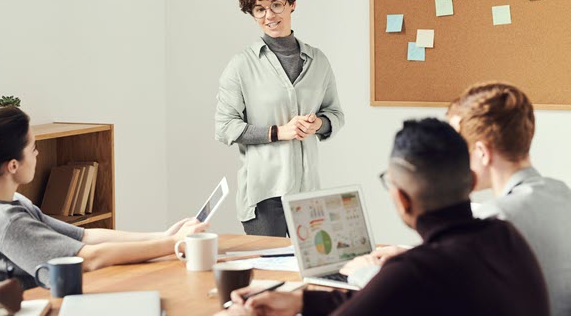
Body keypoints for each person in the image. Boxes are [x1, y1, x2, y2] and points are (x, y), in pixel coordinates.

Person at [216, 118, 549, 316]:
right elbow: (382, 299)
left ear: (401, 199)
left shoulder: (414, 272)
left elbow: (392, 291)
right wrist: (298, 299)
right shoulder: (506, 237)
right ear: (473, 182)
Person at [342, 82, 571, 316]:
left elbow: (428, 288)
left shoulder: (495, 223)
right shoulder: (562, 193)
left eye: (459, 148)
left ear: (481, 152)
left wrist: (365, 271)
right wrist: (407, 255)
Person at [0, 107, 208, 290]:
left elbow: (86, 236)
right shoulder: (5, 222)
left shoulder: (8, 203)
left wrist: (164, 236)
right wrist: (174, 243)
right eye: (33, 148)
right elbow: (90, 258)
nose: (37, 153)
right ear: (13, 165)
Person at [215, 0, 345, 236]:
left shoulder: (318, 61)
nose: (269, 15)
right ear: (252, 14)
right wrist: (278, 132)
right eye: (259, 9)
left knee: (314, 270)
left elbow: (335, 113)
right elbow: (225, 127)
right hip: (264, 195)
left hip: (308, 192)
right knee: (269, 272)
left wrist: (317, 124)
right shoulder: (241, 66)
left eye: (276, 5)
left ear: (292, 4)